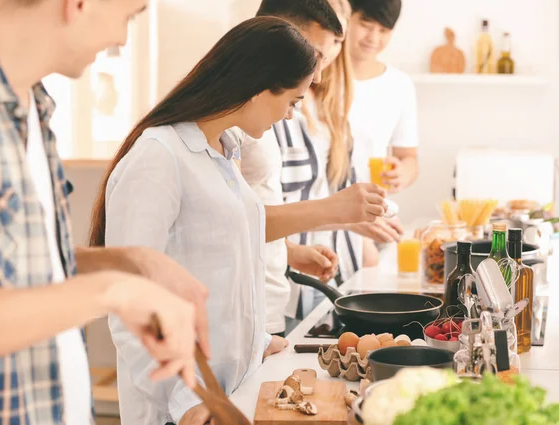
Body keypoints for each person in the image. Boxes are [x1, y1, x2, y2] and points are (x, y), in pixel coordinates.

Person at [88, 16, 386, 425]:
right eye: (291, 102)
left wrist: (258, 345)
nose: (288, 116)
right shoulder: (159, 157)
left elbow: (223, 267)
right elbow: (128, 304)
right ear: (259, 88)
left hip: (232, 390)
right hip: (181, 409)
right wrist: (184, 402)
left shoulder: (225, 151)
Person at [0, 1, 210, 424]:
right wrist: (110, 290)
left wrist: (128, 264)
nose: (122, 38)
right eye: (129, 16)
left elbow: (14, 275)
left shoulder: (34, 104)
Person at [241, 0, 402, 334]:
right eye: (315, 56)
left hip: (293, 285)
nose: (317, 73)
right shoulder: (249, 115)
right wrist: (338, 214)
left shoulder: (324, 105)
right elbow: (236, 222)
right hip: (265, 298)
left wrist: (295, 249)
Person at [347, 0, 419, 193]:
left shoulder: (399, 85)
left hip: (373, 212)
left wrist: (402, 172)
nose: (373, 38)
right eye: (365, 25)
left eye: (384, 31)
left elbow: (408, 157)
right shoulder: (318, 76)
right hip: (324, 215)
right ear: (346, 17)